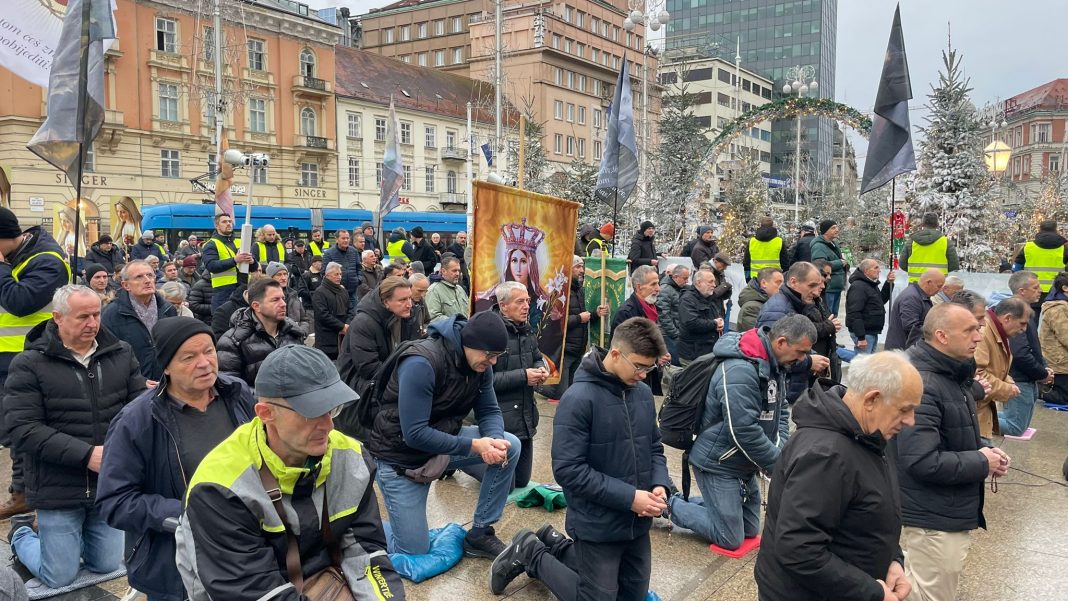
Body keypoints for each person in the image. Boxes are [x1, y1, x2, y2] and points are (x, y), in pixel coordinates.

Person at [175, 345, 404, 600]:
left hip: (318, 581)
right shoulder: (219, 487)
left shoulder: (351, 457)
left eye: (332, 409)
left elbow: (366, 553)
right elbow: (253, 591)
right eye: (312, 412)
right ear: (265, 413)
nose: (328, 425)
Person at [489, 317, 672, 600]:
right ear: (615, 353)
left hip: (636, 523)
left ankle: (554, 543)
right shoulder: (579, 398)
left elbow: (655, 448)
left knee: (632, 595)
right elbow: (568, 470)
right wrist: (629, 497)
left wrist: (660, 484)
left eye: (650, 368)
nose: (644, 375)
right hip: (596, 522)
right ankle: (531, 551)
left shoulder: (643, 394)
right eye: (639, 366)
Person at [97, 317, 256, 601]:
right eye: (189, 357)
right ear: (166, 366)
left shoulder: (237, 393)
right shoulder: (137, 421)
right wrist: (188, 513)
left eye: (209, 351)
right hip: (175, 565)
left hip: (248, 552)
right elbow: (115, 502)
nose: (205, 363)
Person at [6, 285, 145, 588]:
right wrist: (86, 455)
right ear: (58, 318)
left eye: (96, 314)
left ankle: (69, 544)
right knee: (59, 576)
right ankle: (21, 534)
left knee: (108, 563)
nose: (93, 323)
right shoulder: (29, 363)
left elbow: (138, 411)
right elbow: (22, 428)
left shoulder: (120, 353)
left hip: (108, 483)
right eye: (83, 317)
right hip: (57, 485)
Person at [755, 352, 921, 601]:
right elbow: (798, 548)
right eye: (905, 409)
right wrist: (872, 592)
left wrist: (892, 560)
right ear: (872, 399)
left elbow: (869, 512)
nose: (911, 421)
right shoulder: (825, 454)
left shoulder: (868, 433)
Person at [367, 312, 520, 557]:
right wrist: (475, 445)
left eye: (497, 357)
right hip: (401, 460)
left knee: (510, 445)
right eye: (489, 356)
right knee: (414, 552)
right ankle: (360, 529)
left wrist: (494, 440)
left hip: (440, 444)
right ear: (468, 344)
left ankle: (480, 532)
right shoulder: (421, 363)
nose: (492, 363)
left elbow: (489, 409)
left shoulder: (480, 364)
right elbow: (414, 434)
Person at [892, 302, 1011, 601]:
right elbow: (920, 460)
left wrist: (986, 450)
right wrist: (980, 461)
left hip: (942, 509)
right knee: (926, 594)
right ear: (942, 336)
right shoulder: (926, 382)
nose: (978, 335)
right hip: (931, 516)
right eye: (970, 329)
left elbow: (949, 436)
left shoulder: (951, 375)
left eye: (979, 326)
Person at [668, 314, 816, 551]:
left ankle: (712, 508)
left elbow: (781, 413)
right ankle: (667, 505)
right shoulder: (740, 369)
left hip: (743, 461)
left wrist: (780, 451)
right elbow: (742, 431)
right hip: (717, 462)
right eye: (801, 352)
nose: (803, 359)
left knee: (749, 529)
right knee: (730, 537)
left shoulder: (775, 365)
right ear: (781, 342)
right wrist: (778, 464)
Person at [336, 276, 416, 438]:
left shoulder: (405, 317)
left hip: (382, 387)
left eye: (410, 298)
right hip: (358, 398)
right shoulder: (364, 323)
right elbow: (369, 369)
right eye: (402, 300)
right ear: (385, 302)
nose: (409, 304)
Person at [487, 281, 546, 489]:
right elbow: (487, 381)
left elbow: (537, 356)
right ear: (503, 306)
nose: (526, 306)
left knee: (522, 482)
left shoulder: (527, 330)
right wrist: (523, 376)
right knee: (508, 485)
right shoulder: (491, 332)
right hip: (500, 419)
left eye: (528, 301)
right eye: (520, 302)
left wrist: (540, 369)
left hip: (525, 416)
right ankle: (464, 460)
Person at [755, 262, 833, 398]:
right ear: (793, 282)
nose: (816, 292)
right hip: (781, 391)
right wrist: (809, 361)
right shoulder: (777, 310)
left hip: (791, 388)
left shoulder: (798, 304)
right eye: (811, 285)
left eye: (818, 285)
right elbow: (770, 356)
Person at [217, 278, 306, 387]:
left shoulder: (293, 332)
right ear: (256, 306)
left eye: (283, 298)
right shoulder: (233, 341)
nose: (283, 304)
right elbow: (231, 388)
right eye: (275, 300)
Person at [539, 257, 606, 401]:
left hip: (577, 349)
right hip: (565, 350)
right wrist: (578, 318)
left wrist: (594, 314)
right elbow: (553, 322)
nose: (582, 270)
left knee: (571, 391)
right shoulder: (559, 292)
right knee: (561, 394)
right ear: (568, 269)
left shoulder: (578, 290)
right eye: (578, 267)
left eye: (582, 266)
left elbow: (581, 315)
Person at [102, 260, 178, 380]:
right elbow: (108, 358)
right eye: (139, 277)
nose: (147, 280)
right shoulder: (111, 314)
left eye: (150, 275)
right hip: (131, 386)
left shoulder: (168, 309)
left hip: (166, 382)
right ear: (125, 285)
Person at [998, 272, 1051, 438]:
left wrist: (1044, 368)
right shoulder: (1016, 312)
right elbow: (1020, 353)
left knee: (1019, 423)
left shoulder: (1025, 311)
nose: (1040, 291)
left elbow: (1033, 347)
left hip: (1027, 377)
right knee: (1015, 427)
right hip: (1020, 378)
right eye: (1035, 287)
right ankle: (969, 421)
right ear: (1022, 291)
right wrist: (1042, 373)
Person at [974, 297, 1031, 441]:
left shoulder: (998, 331)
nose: (1024, 329)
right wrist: (1006, 389)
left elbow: (999, 367)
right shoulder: (984, 332)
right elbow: (977, 373)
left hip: (983, 411)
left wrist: (1009, 382)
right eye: (1022, 323)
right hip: (977, 414)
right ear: (1007, 318)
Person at [611, 265, 671, 396]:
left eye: (658, 284)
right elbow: (624, 350)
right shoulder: (626, 313)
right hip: (631, 378)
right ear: (639, 287)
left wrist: (660, 353)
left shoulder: (652, 309)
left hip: (647, 375)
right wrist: (655, 358)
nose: (658, 289)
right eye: (653, 284)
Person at [202, 213, 255, 311]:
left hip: (244, 287)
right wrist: (235, 260)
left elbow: (254, 267)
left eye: (230, 221)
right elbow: (211, 266)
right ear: (217, 226)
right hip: (223, 291)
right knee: (224, 321)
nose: (228, 224)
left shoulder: (240, 242)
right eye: (224, 222)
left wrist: (252, 261)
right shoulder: (211, 244)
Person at [885, 268, 946, 351]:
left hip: (907, 349)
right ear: (928, 282)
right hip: (903, 352)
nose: (940, 290)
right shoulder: (911, 298)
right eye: (939, 286)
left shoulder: (918, 295)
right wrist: (936, 333)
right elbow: (911, 327)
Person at [845, 259, 896, 355]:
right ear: (866, 270)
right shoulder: (859, 287)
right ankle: (836, 353)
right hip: (864, 332)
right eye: (876, 268)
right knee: (863, 362)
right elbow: (854, 312)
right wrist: (861, 337)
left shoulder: (869, 284)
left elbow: (880, 301)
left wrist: (889, 283)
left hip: (870, 331)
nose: (879, 270)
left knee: (867, 361)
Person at [677, 269, 723, 365]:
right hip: (693, 355)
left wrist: (719, 322)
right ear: (698, 283)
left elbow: (713, 316)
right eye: (710, 282)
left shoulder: (708, 297)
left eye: (714, 281)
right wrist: (714, 323)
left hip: (706, 352)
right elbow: (692, 323)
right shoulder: (687, 299)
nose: (714, 285)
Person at [899, 212, 960, 283]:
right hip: (938, 285)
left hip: (915, 285)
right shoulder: (946, 242)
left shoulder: (911, 242)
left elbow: (902, 264)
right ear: (937, 225)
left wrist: (915, 270)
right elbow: (954, 265)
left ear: (923, 224)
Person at [312, 261, 353, 360]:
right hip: (326, 340)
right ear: (327, 275)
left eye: (340, 274)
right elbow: (323, 315)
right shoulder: (320, 292)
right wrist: (341, 326)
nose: (339, 277)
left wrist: (348, 324)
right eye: (336, 274)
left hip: (344, 337)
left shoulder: (343, 291)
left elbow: (350, 310)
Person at [1014, 219, 1068, 293]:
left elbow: (1017, 269)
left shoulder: (1028, 247)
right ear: (1056, 230)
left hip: (1031, 291)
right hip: (1057, 291)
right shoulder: (1064, 248)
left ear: (1040, 229)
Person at [809, 219, 849, 315]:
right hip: (828, 287)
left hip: (836, 286)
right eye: (833, 228)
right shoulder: (819, 246)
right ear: (825, 231)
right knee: (828, 315)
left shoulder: (833, 244)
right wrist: (840, 263)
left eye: (837, 227)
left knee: (833, 316)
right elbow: (819, 265)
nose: (837, 230)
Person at [1041, 272, 1068, 407]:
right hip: (1059, 361)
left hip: (1062, 359)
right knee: (1064, 398)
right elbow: (1065, 336)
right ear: (1065, 288)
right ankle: (1038, 391)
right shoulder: (1058, 308)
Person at [656, 264, 690, 364]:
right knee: (674, 362)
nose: (687, 281)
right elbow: (663, 315)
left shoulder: (679, 288)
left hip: (675, 331)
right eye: (685, 278)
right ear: (675, 277)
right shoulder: (665, 290)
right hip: (667, 334)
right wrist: (675, 333)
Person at [266, 261, 311, 335]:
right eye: (279, 275)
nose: (283, 278)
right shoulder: (265, 296)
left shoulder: (293, 294)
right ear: (271, 278)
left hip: (295, 339)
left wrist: (302, 332)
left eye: (285, 274)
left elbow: (304, 319)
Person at [323, 229, 362, 308]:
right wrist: (336, 286)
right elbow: (324, 272)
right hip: (336, 294)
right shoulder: (328, 253)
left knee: (354, 316)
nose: (346, 240)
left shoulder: (354, 251)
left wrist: (358, 280)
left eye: (347, 238)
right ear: (337, 239)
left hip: (352, 293)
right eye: (343, 238)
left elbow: (359, 268)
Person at [736, 267, 783, 332]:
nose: (782, 286)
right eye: (778, 282)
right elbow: (759, 337)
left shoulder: (770, 302)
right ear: (764, 283)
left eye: (782, 283)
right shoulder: (752, 308)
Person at [426, 255, 470, 322]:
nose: (458, 274)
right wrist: (456, 324)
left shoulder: (460, 289)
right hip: (449, 331)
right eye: (454, 271)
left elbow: (469, 310)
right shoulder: (434, 290)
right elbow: (433, 317)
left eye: (459, 271)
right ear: (443, 271)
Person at [743, 217, 788, 282]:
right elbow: (785, 264)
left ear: (760, 226)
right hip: (775, 280)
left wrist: (748, 279)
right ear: (773, 226)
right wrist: (784, 279)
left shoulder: (752, 242)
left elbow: (746, 263)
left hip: (755, 279)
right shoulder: (779, 242)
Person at [409, 272, 431, 337]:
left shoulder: (421, 301)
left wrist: (424, 330)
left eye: (425, 291)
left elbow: (427, 321)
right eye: (419, 291)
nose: (422, 295)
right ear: (409, 287)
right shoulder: (402, 305)